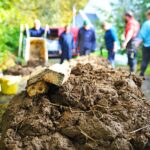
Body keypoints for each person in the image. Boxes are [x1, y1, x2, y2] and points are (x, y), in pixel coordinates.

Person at [136, 10, 150, 76]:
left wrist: (136, 44)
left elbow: (142, 35)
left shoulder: (147, 24)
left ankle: (141, 74)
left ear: (148, 15)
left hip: (147, 46)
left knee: (145, 60)